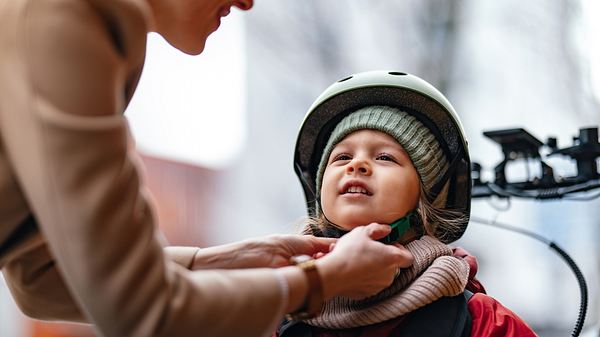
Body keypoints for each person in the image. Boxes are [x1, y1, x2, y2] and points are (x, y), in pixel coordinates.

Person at [0, 1, 415, 336]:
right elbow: (144, 313)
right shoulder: (67, 18)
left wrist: (226, 259)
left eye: (386, 157)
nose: (247, 3)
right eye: (341, 156)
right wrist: (319, 282)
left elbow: (42, 280)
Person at [275, 70, 538, 337]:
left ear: (426, 198)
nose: (357, 164)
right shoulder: (274, 314)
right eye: (342, 156)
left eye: (385, 157)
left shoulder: (480, 322)